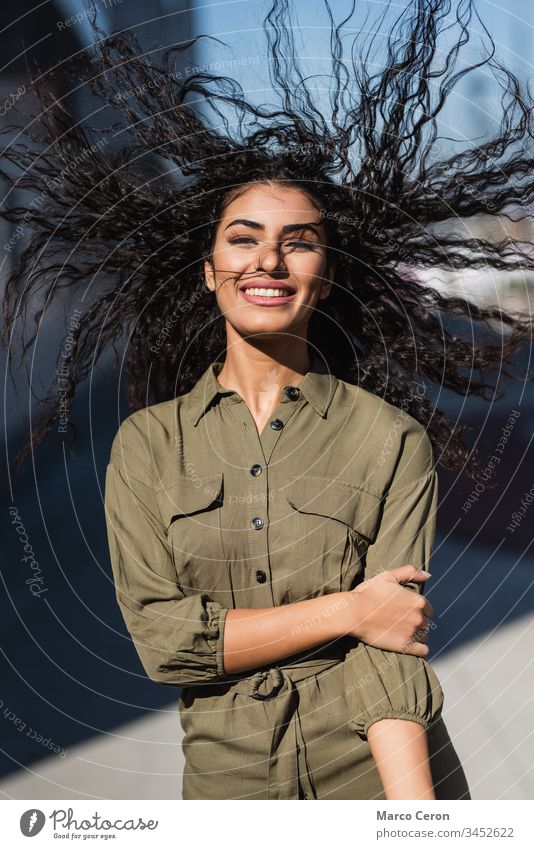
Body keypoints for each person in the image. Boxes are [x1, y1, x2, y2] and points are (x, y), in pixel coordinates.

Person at [2, 0, 533, 800]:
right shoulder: (147, 447)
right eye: (243, 237)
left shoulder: (389, 439)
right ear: (208, 268)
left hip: (379, 787)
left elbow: (391, 659)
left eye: (301, 239)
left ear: (329, 273)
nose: (270, 260)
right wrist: (349, 609)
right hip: (233, 794)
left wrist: (419, 821)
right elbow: (165, 645)